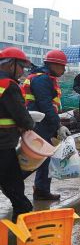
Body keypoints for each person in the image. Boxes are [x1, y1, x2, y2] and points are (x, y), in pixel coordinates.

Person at [22, 49, 71, 201]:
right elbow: (45, 105)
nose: (64, 70)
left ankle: (41, 190)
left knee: (43, 159)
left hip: (41, 123)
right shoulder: (42, 80)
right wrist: (58, 126)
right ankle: (12, 181)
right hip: (39, 124)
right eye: (62, 66)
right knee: (37, 159)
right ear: (53, 65)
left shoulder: (43, 78)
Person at [0, 48, 35, 221]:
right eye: (21, 66)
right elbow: (21, 115)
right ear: (11, 64)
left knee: (9, 181)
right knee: (13, 181)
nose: (22, 71)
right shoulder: (8, 85)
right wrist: (29, 124)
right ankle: (22, 219)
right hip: (3, 143)